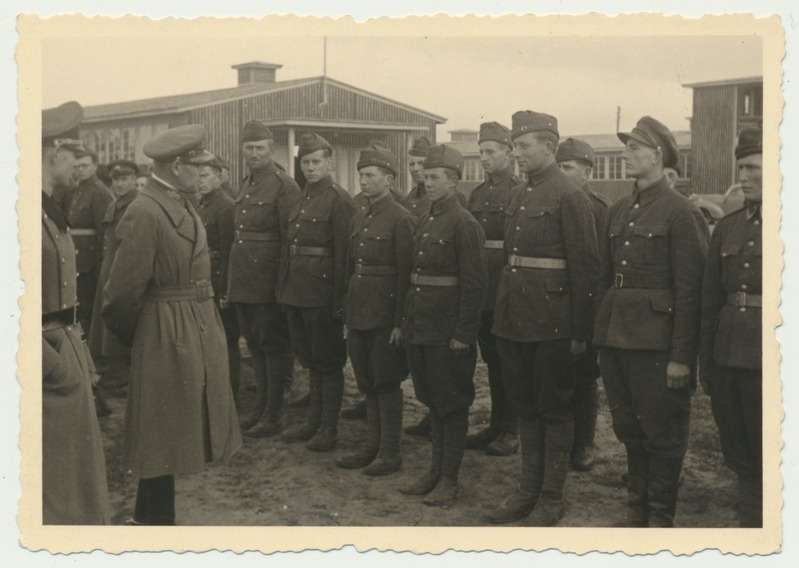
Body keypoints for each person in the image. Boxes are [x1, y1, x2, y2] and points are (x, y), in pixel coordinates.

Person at [102, 124, 242, 525]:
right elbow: (120, 295)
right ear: (176, 166)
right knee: (160, 433)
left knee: (165, 433)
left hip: (189, 323)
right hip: (165, 331)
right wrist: (145, 338)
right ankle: (154, 523)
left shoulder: (177, 201)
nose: (203, 174)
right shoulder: (146, 210)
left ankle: (150, 520)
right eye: (197, 167)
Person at [484, 111, 599, 527]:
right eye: (514, 146)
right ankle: (526, 490)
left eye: (524, 146)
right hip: (514, 319)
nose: (517, 153)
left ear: (550, 147)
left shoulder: (570, 196)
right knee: (525, 406)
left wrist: (581, 332)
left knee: (553, 408)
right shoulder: (518, 195)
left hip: (553, 322)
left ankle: (551, 495)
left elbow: (587, 269)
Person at [593, 116, 707, 528]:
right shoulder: (620, 209)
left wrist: (681, 357)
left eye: (634, 148)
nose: (627, 155)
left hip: (657, 344)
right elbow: (606, 279)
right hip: (616, 337)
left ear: (658, 155)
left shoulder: (681, 213)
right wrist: (599, 338)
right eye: (626, 147)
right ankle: (636, 508)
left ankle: (660, 517)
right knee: (628, 426)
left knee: (662, 432)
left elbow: (690, 291)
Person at [399, 144, 487, 506]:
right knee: (432, 401)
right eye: (426, 176)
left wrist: (464, 334)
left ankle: (449, 478)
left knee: (451, 403)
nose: (426, 181)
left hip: (447, 330)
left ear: (454, 181)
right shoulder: (427, 217)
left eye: (435, 177)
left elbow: (475, 283)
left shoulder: (464, 223)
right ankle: (434, 471)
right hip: (422, 324)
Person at [41, 100, 109, 525]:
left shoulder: (48, 205)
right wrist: (54, 366)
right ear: (53, 152)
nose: (77, 164)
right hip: (46, 366)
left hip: (63, 350)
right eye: (73, 154)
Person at [335, 143, 415, 475]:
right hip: (359, 312)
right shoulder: (359, 215)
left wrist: (399, 322)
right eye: (361, 175)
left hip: (385, 314)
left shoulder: (401, 218)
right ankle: (371, 444)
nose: (363, 182)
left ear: (389, 179)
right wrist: (347, 315)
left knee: (385, 381)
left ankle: (390, 451)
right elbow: (351, 267)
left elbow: (406, 274)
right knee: (366, 380)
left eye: (370, 176)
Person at [699, 126, 763, 528]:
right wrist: (706, 360)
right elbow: (709, 300)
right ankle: (751, 497)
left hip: (767, 352)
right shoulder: (729, 225)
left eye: (753, 167)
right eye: (741, 168)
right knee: (735, 430)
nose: (744, 176)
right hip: (728, 349)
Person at [278, 132, 357, 451]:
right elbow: (289, 246)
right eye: (305, 162)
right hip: (297, 291)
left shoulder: (339, 200)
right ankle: (313, 421)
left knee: (327, 361)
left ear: (330, 163)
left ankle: (328, 428)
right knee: (310, 359)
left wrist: (339, 302)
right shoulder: (299, 197)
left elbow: (344, 256)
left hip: (323, 294)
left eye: (315, 162)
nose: (309, 168)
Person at [227, 121, 300, 436]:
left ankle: (274, 412)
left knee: (273, 345)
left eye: (259, 148)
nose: (253, 153)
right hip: (244, 279)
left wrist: (282, 284)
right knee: (254, 345)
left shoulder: (284, 185)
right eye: (249, 148)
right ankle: (260, 407)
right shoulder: (246, 182)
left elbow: (289, 240)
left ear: (271, 150)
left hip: (268, 281)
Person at [464, 121, 521, 457]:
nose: (484, 158)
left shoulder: (517, 190)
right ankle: (497, 425)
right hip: (482, 287)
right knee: (492, 358)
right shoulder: (477, 193)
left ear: (508, 153)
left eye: (491, 152)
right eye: (481, 152)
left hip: (504, 286)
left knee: (507, 359)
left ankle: (511, 429)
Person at [554, 137, 612, 472]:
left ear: (587, 174)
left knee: (584, 376)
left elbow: (597, 267)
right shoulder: (552, 202)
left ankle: (585, 443)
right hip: (555, 304)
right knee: (558, 376)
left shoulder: (600, 209)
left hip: (586, 304)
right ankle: (563, 442)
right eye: (559, 168)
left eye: (568, 168)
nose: (561, 174)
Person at [88, 159, 140, 394]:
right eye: (116, 180)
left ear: (133, 180)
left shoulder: (137, 205)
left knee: (123, 319)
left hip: (125, 271)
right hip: (108, 269)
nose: (119, 184)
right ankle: (114, 369)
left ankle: (126, 375)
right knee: (106, 320)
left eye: (124, 179)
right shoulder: (114, 205)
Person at [197, 155, 241, 409]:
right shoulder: (200, 204)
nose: (200, 181)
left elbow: (228, 252)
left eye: (205, 176)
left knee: (228, 339)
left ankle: (230, 395)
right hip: (203, 279)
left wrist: (225, 290)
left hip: (218, 281)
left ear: (218, 176)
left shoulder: (226, 207)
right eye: (198, 176)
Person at [63, 149, 113, 336]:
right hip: (77, 259)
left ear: (95, 166)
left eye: (84, 166)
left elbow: (104, 232)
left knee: (89, 306)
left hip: (90, 263)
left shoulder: (100, 193)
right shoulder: (75, 191)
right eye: (75, 167)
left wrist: (102, 263)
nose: (79, 170)